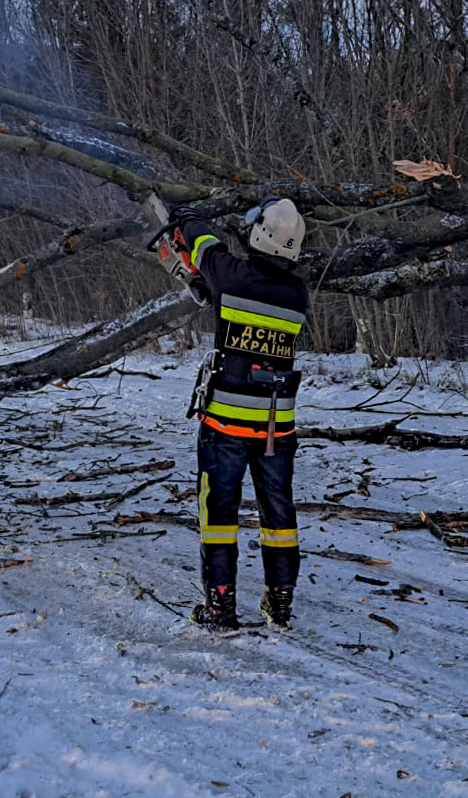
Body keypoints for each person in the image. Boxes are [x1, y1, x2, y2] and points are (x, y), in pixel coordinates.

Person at [164, 197, 309, 631]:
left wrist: (188, 219)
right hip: (275, 429)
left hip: (225, 424)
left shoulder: (233, 275)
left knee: (219, 514)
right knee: (279, 515)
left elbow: (204, 244)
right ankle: (279, 606)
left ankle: (219, 609)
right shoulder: (296, 293)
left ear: (261, 234)